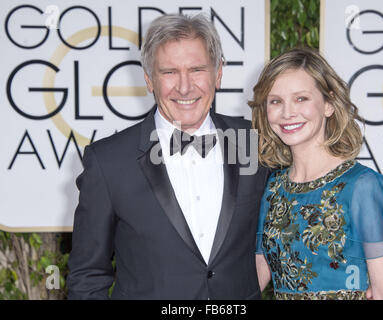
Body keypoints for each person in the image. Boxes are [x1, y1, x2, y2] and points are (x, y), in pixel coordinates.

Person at [67, 13, 269, 300]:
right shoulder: (108, 162)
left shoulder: (256, 143)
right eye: (169, 72)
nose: (185, 87)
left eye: (197, 69)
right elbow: (87, 278)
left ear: (218, 73)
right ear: (149, 80)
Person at [249, 47, 383, 300]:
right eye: (276, 101)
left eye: (301, 98)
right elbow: (255, 276)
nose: (288, 112)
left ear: (329, 105)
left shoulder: (362, 187)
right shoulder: (270, 189)